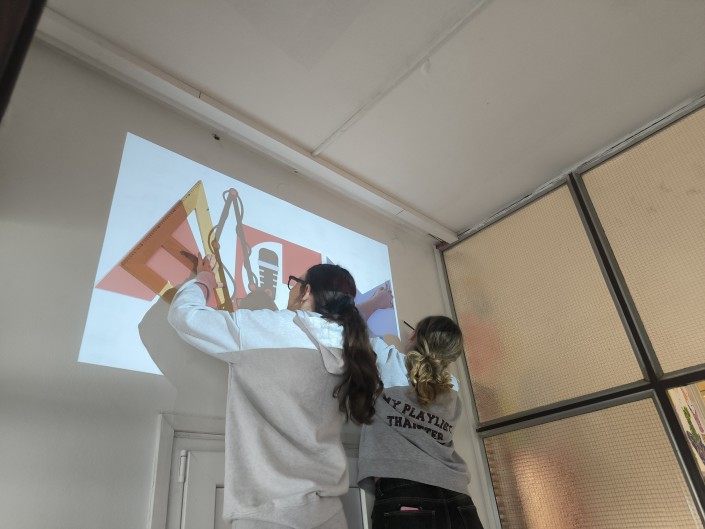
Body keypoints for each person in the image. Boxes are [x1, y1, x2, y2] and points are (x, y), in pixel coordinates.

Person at [168, 255, 383, 529]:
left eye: (295, 283)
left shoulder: (267, 328)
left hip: (268, 516)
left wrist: (205, 280)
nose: (291, 289)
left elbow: (185, 316)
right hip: (329, 514)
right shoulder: (351, 345)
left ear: (306, 291)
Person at [358, 316, 484, 528]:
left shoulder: (388, 360)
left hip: (404, 490)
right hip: (458, 496)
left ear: (414, 335)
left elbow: (351, 328)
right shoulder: (452, 386)